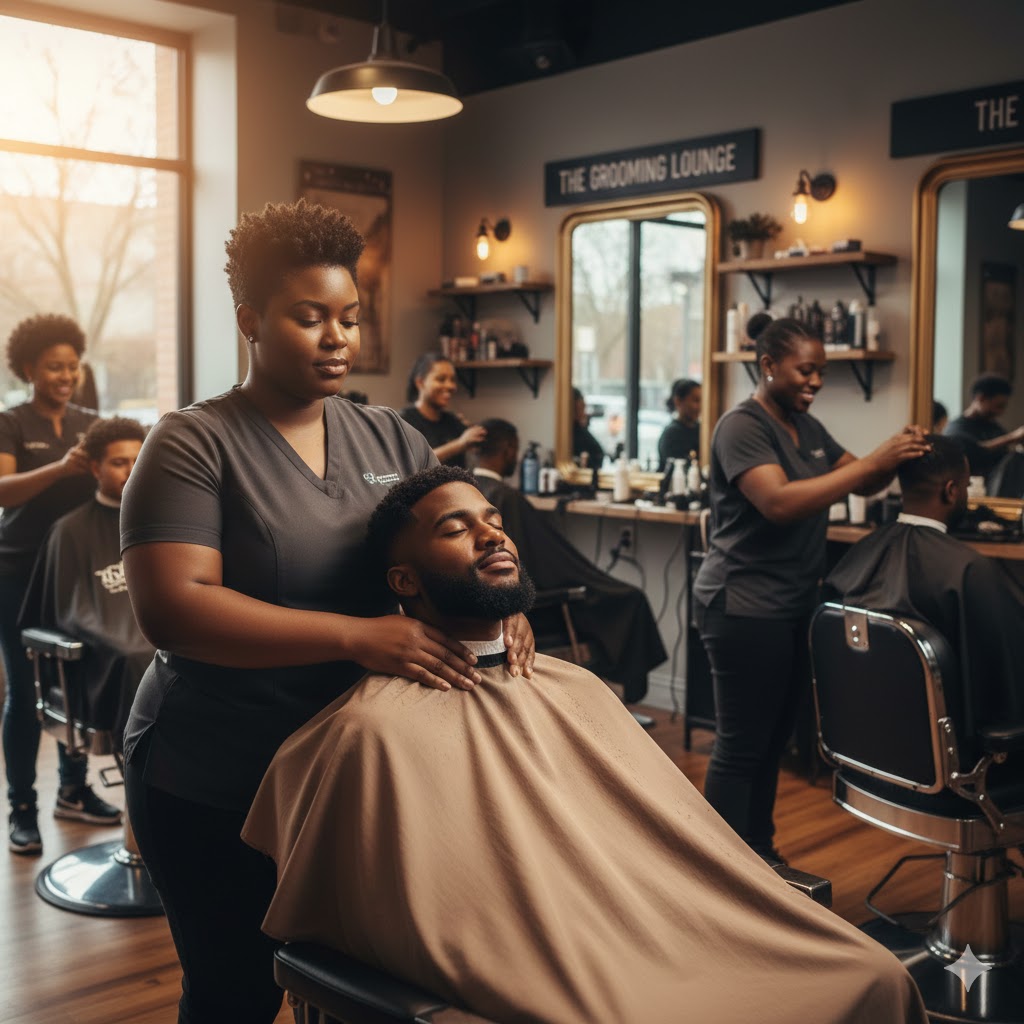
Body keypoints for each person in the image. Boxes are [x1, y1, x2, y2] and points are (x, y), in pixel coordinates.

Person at [242, 467, 928, 1024]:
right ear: (404, 582)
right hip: (565, 972)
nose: (490, 535)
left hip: (668, 930)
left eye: (495, 521)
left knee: (871, 975)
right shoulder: (368, 733)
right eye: (457, 529)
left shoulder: (573, 687)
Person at [119, 199, 534, 1024]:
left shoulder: (394, 440)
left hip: (355, 773)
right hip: (215, 774)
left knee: (353, 991)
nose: (337, 337)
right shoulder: (192, 444)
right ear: (251, 319)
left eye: (348, 317)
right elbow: (174, 609)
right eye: (310, 318)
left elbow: (450, 558)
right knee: (235, 991)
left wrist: (496, 612)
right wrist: (356, 634)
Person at [693, 313, 930, 864]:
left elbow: (863, 479)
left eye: (821, 372)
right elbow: (779, 503)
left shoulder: (810, 428)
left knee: (776, 741)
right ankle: (719, 868)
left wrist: (895, 456)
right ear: (769, 365)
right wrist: (873, 462)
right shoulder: (741, 426)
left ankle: (760, 855)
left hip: (794, 605)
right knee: (742, 745)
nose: (816, 382)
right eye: (806, 371)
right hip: (742, 606)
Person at [0, 314, 122, 857]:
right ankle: (22, 808)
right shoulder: (12, 423)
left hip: (75, 571)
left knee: (77, 676)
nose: (66, 375)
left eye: (72, 366)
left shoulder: (91, 421)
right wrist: (58, 470)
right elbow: (3, 492)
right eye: (54, 366)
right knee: (25, 693)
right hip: (18, 571)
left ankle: (73, 792)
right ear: (29, 368)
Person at [824, 435, 1024, 730]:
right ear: (951, 491)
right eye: (967, 486)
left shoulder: (860, 553)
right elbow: (1002, 674)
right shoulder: (968, 569)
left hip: (863, 735)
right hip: (942, 742)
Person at [473, 417, 666, 702]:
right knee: (630, 597)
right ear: (510, 449)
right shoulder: (507, 497)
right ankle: (629, 696)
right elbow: (556, 565)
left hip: (495, 607)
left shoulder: (467, 490)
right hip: (540, 608)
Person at [20, 416, 154, 755]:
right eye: (119, 462)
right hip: (108, 650)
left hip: (151, 634)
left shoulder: (162, 520)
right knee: (135, 656)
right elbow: (69, 609)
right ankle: (139, 760)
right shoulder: (69, 531)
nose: (130, 471)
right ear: (96, 468)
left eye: (138, 461)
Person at [399, 351, 484, 467]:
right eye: (441, 379)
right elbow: (414, 462)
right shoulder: (403, 421)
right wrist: (459, 444)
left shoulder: (452, 420)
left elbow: (477, 449)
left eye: (452, 380)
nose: (450, 386)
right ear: (420, 383)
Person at [943, 372, 1024, 485]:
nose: (1001, 412)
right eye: (998, 406)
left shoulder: (995, 428)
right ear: (980, 398)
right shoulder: (956, 429)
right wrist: (1013, 437)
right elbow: (975, 451)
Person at [656, 377, 702, 472]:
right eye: (696, 400)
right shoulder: (671, 434)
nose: (700, 406)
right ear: (678, 401)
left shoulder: (701, 429)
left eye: (701, 401)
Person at [571, 386, 606, 469]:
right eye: (581, 408)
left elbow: (598, 453)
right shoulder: (574, 432)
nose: (584, 413)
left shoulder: (581, 431)